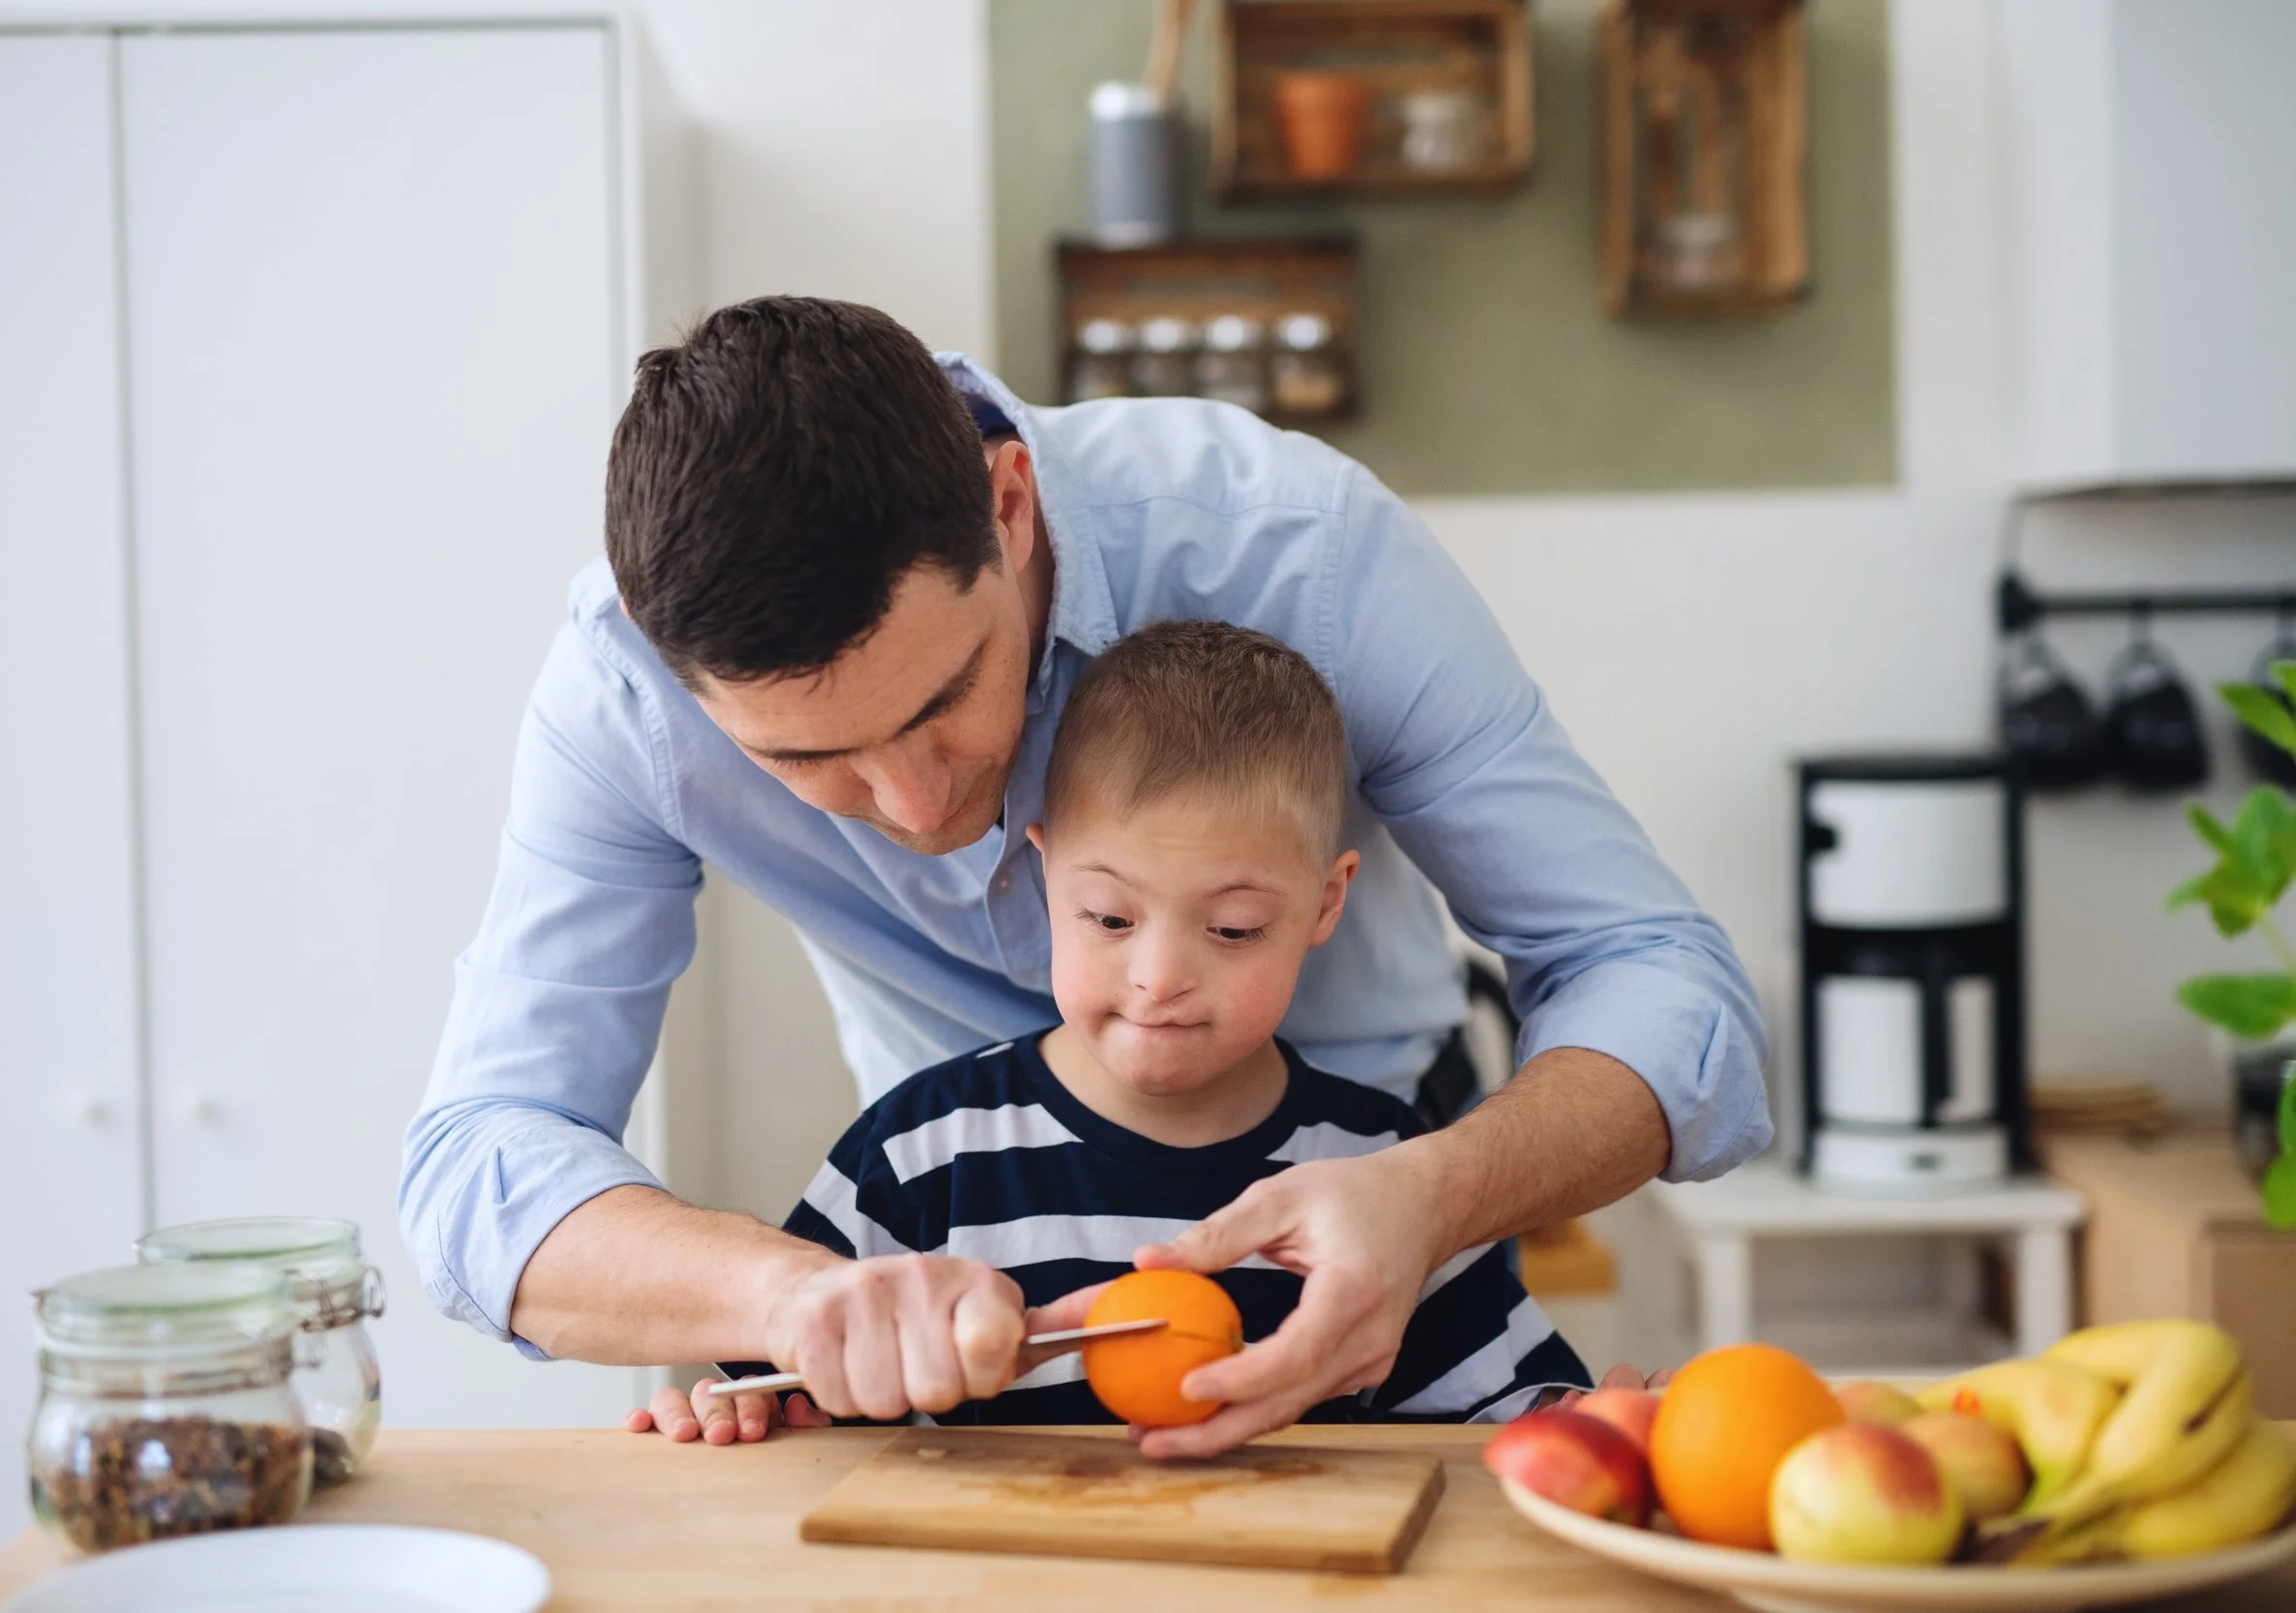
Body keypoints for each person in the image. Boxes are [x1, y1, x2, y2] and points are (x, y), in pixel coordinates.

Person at [403, 296, 1767, 1458]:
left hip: (1379, 1192)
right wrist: (792, 1303)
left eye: (948, 698)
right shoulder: (621, 692)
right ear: (658, 648)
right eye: (814, 759)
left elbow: (1661, 975)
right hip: (957, 1221)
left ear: (1009, 504)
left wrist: (1436, 1195)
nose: (922, 805)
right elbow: (480, 1160)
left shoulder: (1300, 548)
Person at [643, 623, 1594, 1445]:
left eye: (1230, 929)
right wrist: (729, 1411)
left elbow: (1510, 1416)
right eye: (1107, 916)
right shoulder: (923, 1154)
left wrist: (1595, 1421)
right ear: (1044, 875)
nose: (1159, 975)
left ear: (1325, 901)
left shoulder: (1377, 1171)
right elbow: (774, 1385)